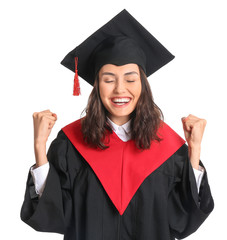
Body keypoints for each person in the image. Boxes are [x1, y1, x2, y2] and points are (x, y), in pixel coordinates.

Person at [20, 9, 214, 240]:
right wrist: (40, 146)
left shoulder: (169, 147)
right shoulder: (70, 144)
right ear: (96, 86)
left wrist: (194, 152)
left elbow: (182, 222)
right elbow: (53, 218)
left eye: (130, 79)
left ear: (142, 84)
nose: (120, 89)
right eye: (109, 79)